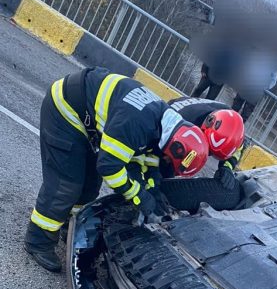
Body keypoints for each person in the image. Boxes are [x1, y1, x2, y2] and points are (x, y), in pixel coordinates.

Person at [24, 68, 244, 273]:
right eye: (169, 159)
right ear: (174, 147)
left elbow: (143, 158)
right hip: (65, 111)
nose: (166, 161)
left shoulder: (166, 125)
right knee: (67, 184)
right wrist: (138, 196)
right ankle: (38, 240)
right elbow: (109, 167)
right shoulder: (136, 124)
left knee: (90, 185)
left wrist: (152, 187)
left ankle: (66, 225)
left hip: (91, 118)